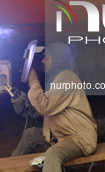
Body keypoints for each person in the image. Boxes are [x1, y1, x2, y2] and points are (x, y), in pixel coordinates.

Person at [11, 42, 97, 172]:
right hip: (60, 134)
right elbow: (44, 111)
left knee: (53, 154)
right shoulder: (55, 79)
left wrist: (34, 82)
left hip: (78, 138)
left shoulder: (67, 78)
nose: (43, 61)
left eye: (47, 57)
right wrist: (23, 103)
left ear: (58, 59)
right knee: (31, 135)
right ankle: (7, 167)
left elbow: (46, 106)